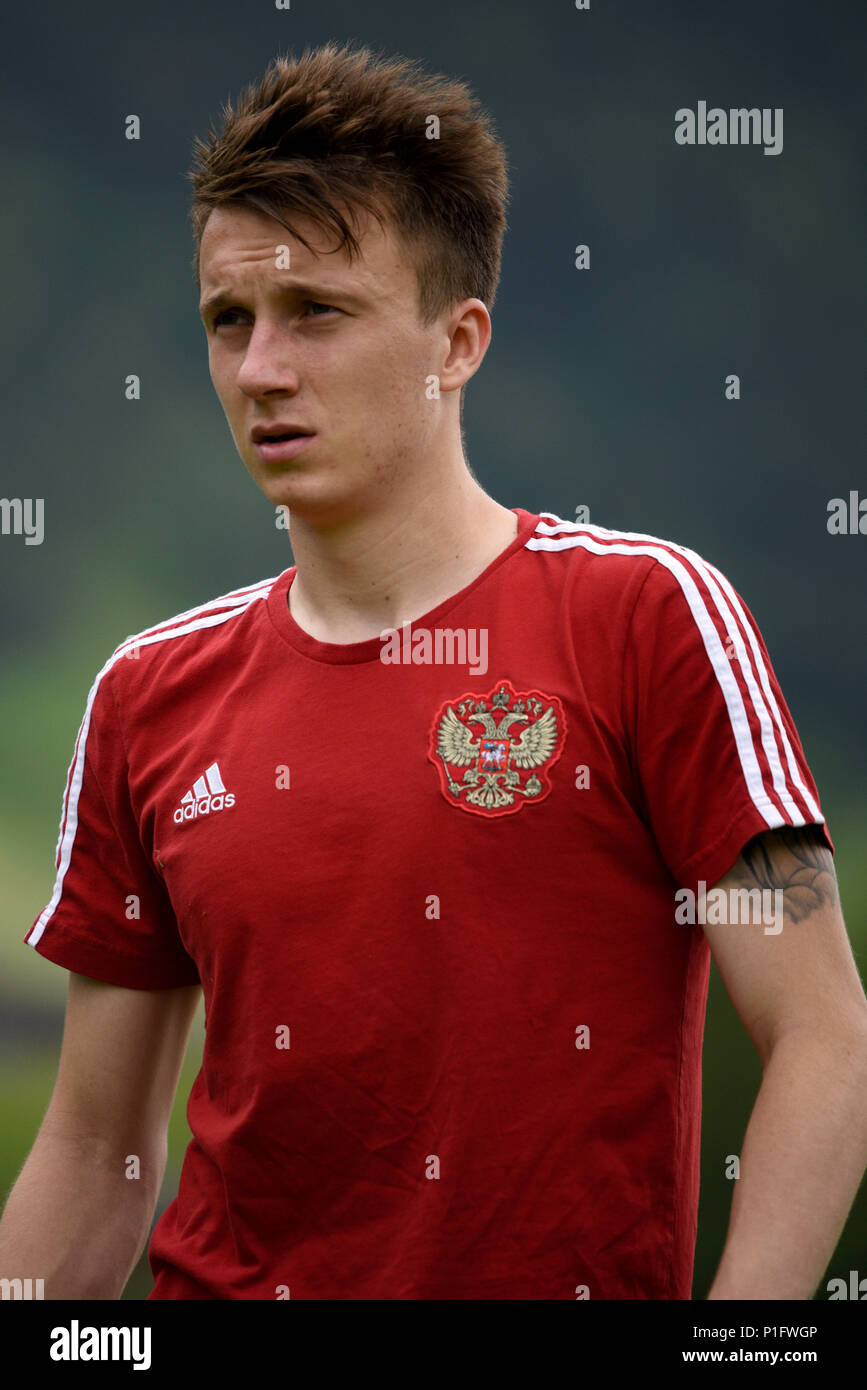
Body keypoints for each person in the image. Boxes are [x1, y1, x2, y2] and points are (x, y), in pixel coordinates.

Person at [2, 40, 866, 1302]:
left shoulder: (645, 620)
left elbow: (820, 1035)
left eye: (317, 312)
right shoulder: (148, 695)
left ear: (457, 341)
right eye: (228, 321)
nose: (259, 371)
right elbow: (93, 1153)